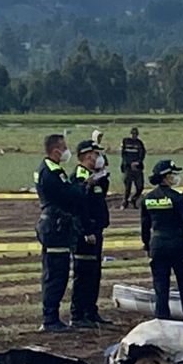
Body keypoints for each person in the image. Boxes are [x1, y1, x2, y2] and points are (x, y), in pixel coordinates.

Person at [141, 158, 183, 321]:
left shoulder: (148, 198)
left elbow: (144, 226)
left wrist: (147, 245)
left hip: (157, 245)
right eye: (173, 174)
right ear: (166, 177)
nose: (175, 177)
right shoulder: (178, 197)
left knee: (161, 287)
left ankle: (162, 320)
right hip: (178, 244)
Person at [33, 134, 81, 332]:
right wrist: (81, 185)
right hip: (56, 226)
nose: (67, 151)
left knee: (56, 272)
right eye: (64, 147)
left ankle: (51, 317)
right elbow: (69, 195)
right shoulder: (52, 172)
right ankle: (50, 319)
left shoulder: (45, 168)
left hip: (53, 223)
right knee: (56, 274)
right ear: (55, 151)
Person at [69, 139, 110, 327]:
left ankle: (91, 312)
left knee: (94, 273)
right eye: (96, 154)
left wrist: (103, 176)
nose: (99, 157)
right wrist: (86, 230)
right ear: (87, 156)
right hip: (86, 233)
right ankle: (78, 315)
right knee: (83, 273)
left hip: (97, 229)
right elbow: (79, 206)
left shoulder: (93, 177)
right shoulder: (80, 176)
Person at [120, 126, 147, 209]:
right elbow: (123, 155)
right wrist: (129, 163)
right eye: (132, 134)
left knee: (140, 187)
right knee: (127, 187)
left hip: (138, 168)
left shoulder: (139, 143)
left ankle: (133, 199)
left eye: (135, 134)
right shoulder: (125, 141)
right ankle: (124, 203)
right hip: (128, 168)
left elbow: (142, 155)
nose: (134, 135)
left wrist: (137, 162)